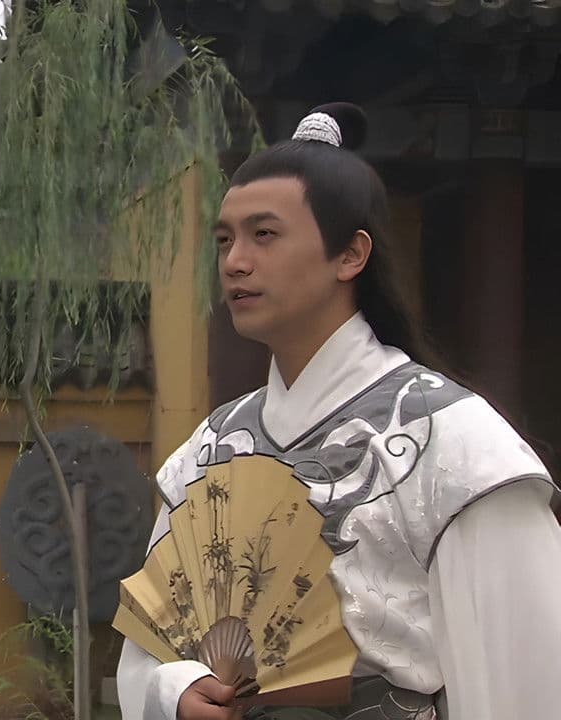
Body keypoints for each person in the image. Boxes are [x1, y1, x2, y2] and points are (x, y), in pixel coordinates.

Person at [116, 103, 561, 720]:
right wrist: (175, 689)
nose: (235, 261)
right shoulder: (210, 450)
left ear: (351, 255)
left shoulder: (451, 442)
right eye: (225, 240)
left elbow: (523, 679)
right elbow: (150, 643)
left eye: (264, 235)